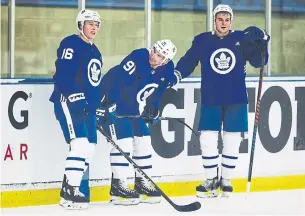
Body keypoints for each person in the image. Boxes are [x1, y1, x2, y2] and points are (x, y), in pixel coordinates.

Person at [174, 4, 270, 197]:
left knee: (232, 140)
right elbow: (188, 61)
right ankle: (210, 179)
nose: (223, 23)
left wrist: (263, 43)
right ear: (214, 20)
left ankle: (225, 178)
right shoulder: (202, 40)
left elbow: (259, 62)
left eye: (227, 19)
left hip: (236, 98)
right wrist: (175, 75)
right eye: (220, 19)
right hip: (211, 97)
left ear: (231, 21)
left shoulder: (241, 39)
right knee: (208, 139)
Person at [96, 39, 179, 205]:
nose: (154, 57)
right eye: (155, 51)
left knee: (144, 140)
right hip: (112, 103)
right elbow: (117, 80)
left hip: (131, 107)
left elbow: (158, 90)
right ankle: (118, 187)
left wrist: (153, 108)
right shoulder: (139, 56)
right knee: (124, 143)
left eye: (160, 56)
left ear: (166, 60)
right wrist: (106, 104)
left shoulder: (167, 69)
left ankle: (142, 183)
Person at [49, 9, 103, 209]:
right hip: (68, 102)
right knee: (80, 144)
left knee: (88, 148)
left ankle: (68, 191)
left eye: (97, 24)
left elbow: (94, 83)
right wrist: (76, 97)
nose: (94, 28)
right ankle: (71, 190)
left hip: (86, 107)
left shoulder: (95, 51)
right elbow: (62, 76)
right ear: (81, 25)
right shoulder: (71, 43)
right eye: (90, 23)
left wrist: (99, 106)